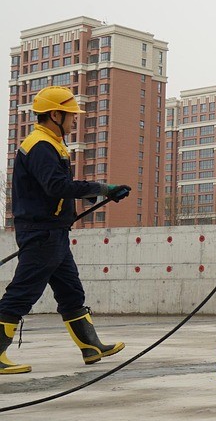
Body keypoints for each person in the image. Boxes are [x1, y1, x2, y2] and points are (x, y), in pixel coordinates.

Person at [0, 86, 131, 374]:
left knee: (71, 292)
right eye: (71, 115)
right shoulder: (40, 146)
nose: (75, 120)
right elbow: (56, 186)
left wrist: (100, 192)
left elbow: (56, 189)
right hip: (42, 233)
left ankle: (91, 346)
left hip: (53, 232)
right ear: (55, 114)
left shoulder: (51, 143)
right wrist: (101, 188)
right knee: (22, 293)